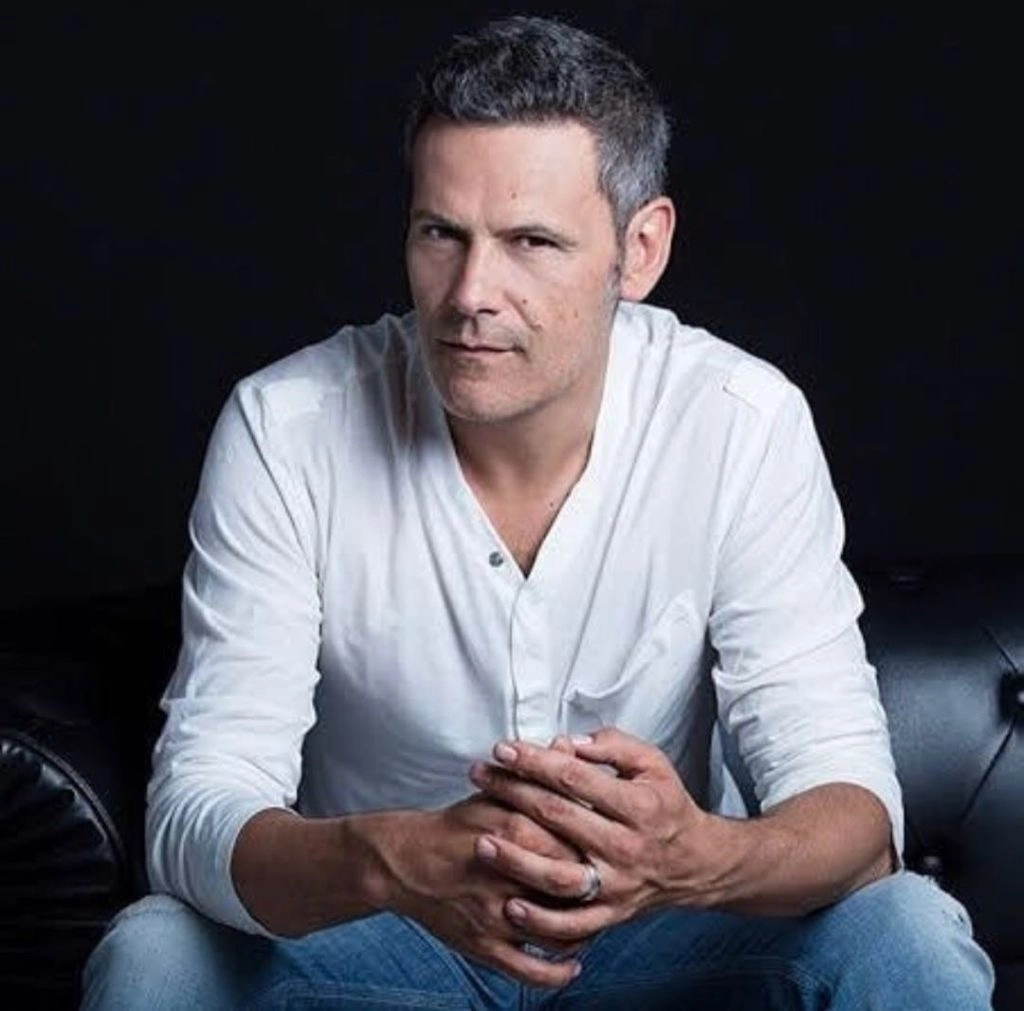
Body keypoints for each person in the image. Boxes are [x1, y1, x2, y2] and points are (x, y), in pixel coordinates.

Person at [82, 15, 994, 1010]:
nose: (471, 293)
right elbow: (195, 813)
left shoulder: (740, 421)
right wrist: (389, 860)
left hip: (659, 940)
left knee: (905, 929)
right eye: (441, 234)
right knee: (158, 954)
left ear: (639, 250)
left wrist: (696, 859)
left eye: (530, 242)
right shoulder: (288, 426)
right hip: (381, 942)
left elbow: (853, 813)